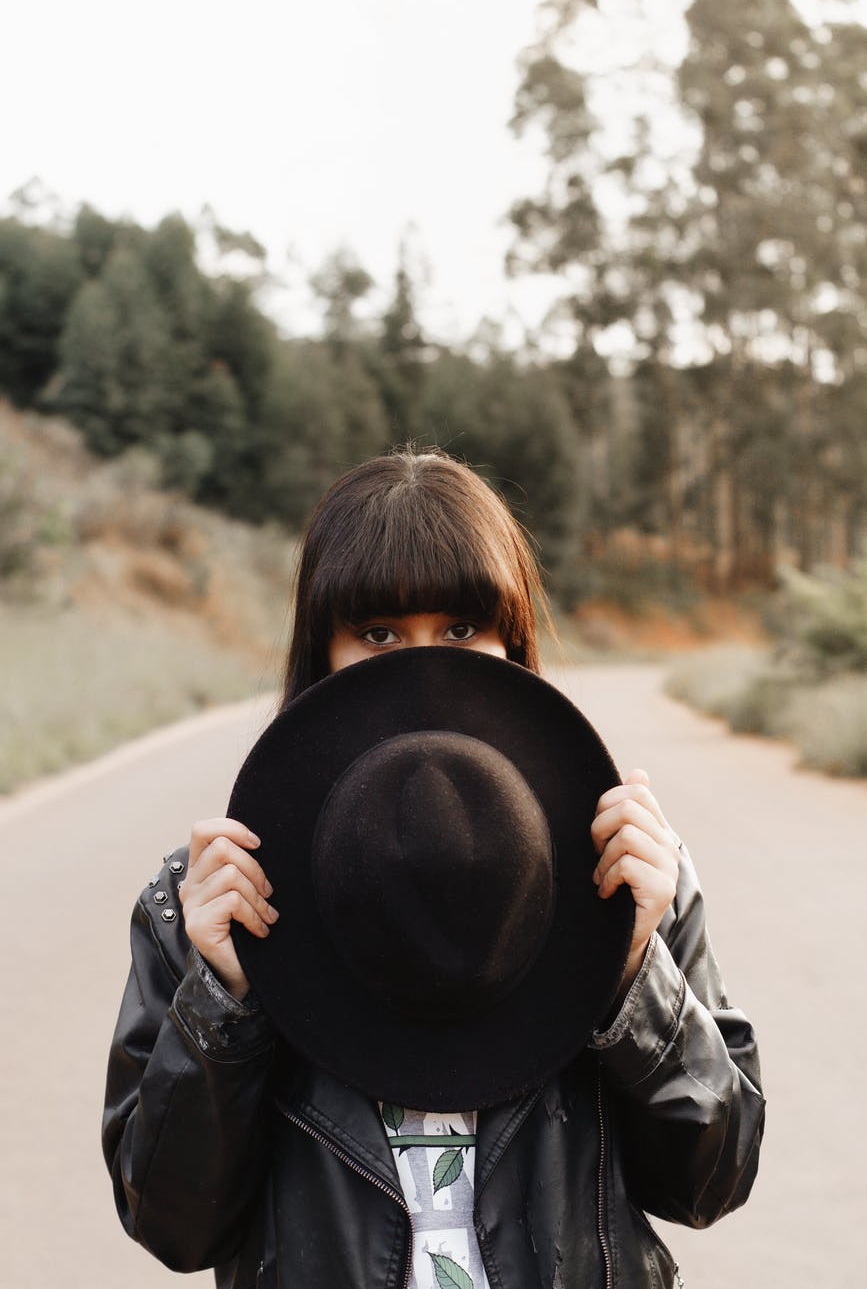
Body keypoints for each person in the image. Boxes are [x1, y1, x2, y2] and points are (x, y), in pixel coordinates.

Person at [103, 449, 764, 1289]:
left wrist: (636, 973)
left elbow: (711, 1183)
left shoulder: (629, 876)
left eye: (461, 630)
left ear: (513, 639)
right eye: (378, 635)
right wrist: (221, 1005)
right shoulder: (202, 903)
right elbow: (173, 1227)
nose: (426, 667)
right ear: (323, 653)